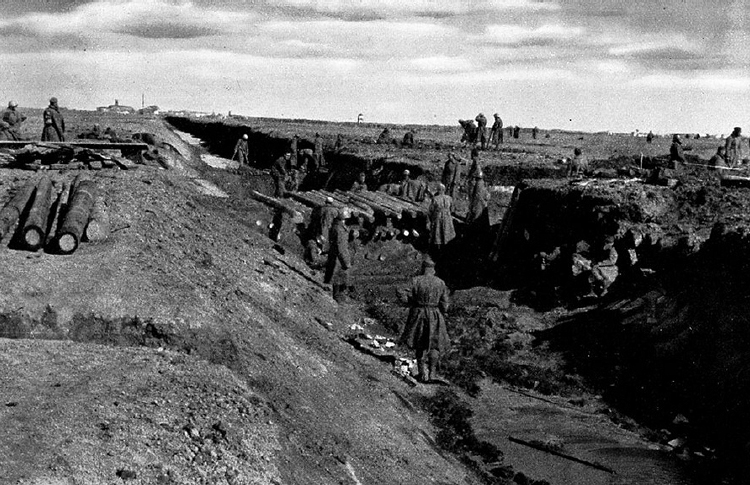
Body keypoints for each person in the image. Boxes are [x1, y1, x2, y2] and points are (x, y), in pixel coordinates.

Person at [398, 257, 450, 383]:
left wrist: (410, 302)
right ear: (433, 269)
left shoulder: (416, 280)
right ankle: (432, 374)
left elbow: (400, 291)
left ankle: (422, 373)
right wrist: (443, 312)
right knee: (434, 344)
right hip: (435, 315)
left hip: (419, 313)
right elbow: (445, 304)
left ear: (423, 268)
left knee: (419, 343)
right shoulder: (440, 282)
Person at [323, 210, 352, 302]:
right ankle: (337, 296)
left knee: (340, 276)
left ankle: (340, 294)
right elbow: (340, 246)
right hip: (338, 256)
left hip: (337, 254)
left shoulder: (338, 226)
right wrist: (344, 260)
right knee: (337, 276)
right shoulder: (339, 229)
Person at [428, 183, 456, 254]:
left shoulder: (435, 198)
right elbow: (452, 209)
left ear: (438, 190)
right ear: (444, 190)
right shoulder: (449, 198)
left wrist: (430, 219)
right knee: (447, 233)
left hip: (438, 217)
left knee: (438, 233)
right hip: (447, 217)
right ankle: (446, 249)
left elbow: (431, 210)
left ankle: (438, 251)